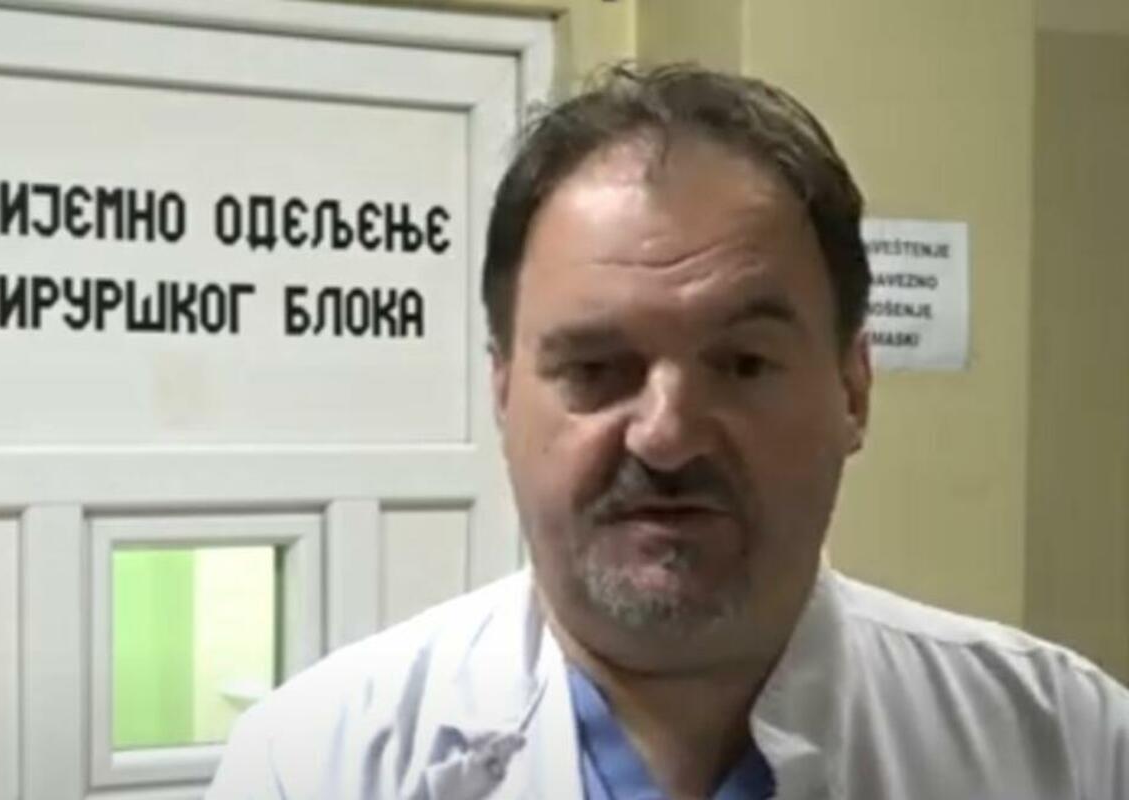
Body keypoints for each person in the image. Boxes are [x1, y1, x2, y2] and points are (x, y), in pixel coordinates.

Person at [208, 64, 1129, 799]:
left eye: (743, 364)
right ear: (503, 392)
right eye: (595, 370)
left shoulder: (1065, 744)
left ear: (853, 389)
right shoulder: (313, 765)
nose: (667, 436)